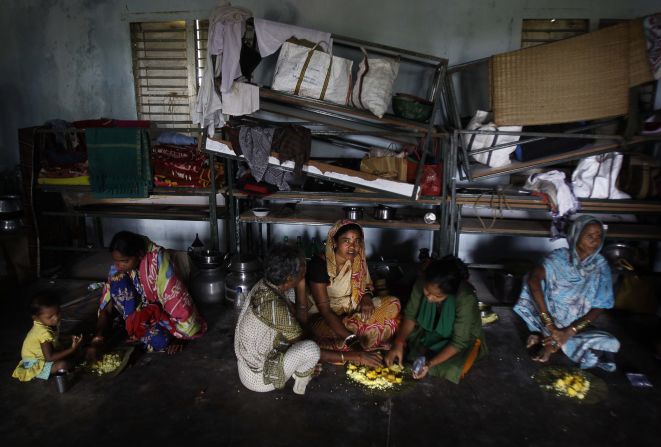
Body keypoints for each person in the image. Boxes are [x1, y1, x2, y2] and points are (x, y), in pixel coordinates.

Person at [235, 243, 382, 395]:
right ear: (290, 277)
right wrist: (356, 356)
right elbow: (304, 340)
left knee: (292, 298)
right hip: (258, 376)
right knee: (310, 350)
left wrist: (300, 283)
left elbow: (301, 322)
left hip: (247, 361)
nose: (307, 267)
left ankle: (298, 366)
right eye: (303, 267)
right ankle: (300, 380)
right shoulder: (274, 307)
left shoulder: (264, 284)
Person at [514, 215, 620, 371]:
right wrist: (550, 324)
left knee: (612, 342)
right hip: (547, 320)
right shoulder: (558, 258)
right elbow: (533, 280)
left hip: (575, 326)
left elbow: (600, 306)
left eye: (599, 236)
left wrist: (569, 332)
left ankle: (550, 342)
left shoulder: (601, 266)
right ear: (576, 235)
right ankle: (548, 337)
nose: (595, 241)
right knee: (531, 280)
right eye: (589, 236)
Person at [87, 231, 206, 357]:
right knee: (117, 282)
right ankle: (133, 326)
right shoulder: (119, 268)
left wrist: (181, 337)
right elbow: (107, 306)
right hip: (140, 311)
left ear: (139, 254)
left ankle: (139, 330)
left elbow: (176, 301)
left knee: (160, 341)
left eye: (124, 261)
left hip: (161, 313)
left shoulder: (158, 261)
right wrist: (97, 337)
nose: (119, 265)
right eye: (116, 261)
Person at [385, 256, 487, 383]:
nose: (430, 299)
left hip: (460, 339)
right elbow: (410, 315)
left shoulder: (465, 298)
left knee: (451, 368)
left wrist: (429, 364)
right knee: (398, 345)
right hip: (428, 331)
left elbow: (459, 342)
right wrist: (398, 343)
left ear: (450, 293)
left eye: (438, 296)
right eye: (427, 292)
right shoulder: (421, 282)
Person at [306, 220, 401, 354]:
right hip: (325, 318)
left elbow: (366, 285)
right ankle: (363, 341)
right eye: (347, 241)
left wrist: (366, 297)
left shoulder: (358, 259)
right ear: (334, 242)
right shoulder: (320, 265)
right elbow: (325, 311)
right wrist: (352, 341)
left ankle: (364, 338)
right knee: (347, 339)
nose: (353, 246)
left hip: (353, 312)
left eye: (357, 241)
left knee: (393, 303)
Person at [12, 294, 82, 382]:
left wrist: (69, 337)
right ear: (36, 318)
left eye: (58, 313)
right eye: (50, 317)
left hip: (45, 356)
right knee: (63, 365)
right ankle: (40, 374)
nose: (56, 318)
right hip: (35, 364)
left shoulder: (49, 323)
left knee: (66, 349)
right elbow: (49, 358)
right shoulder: (43, 333)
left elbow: (55, 336)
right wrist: (72, 349)